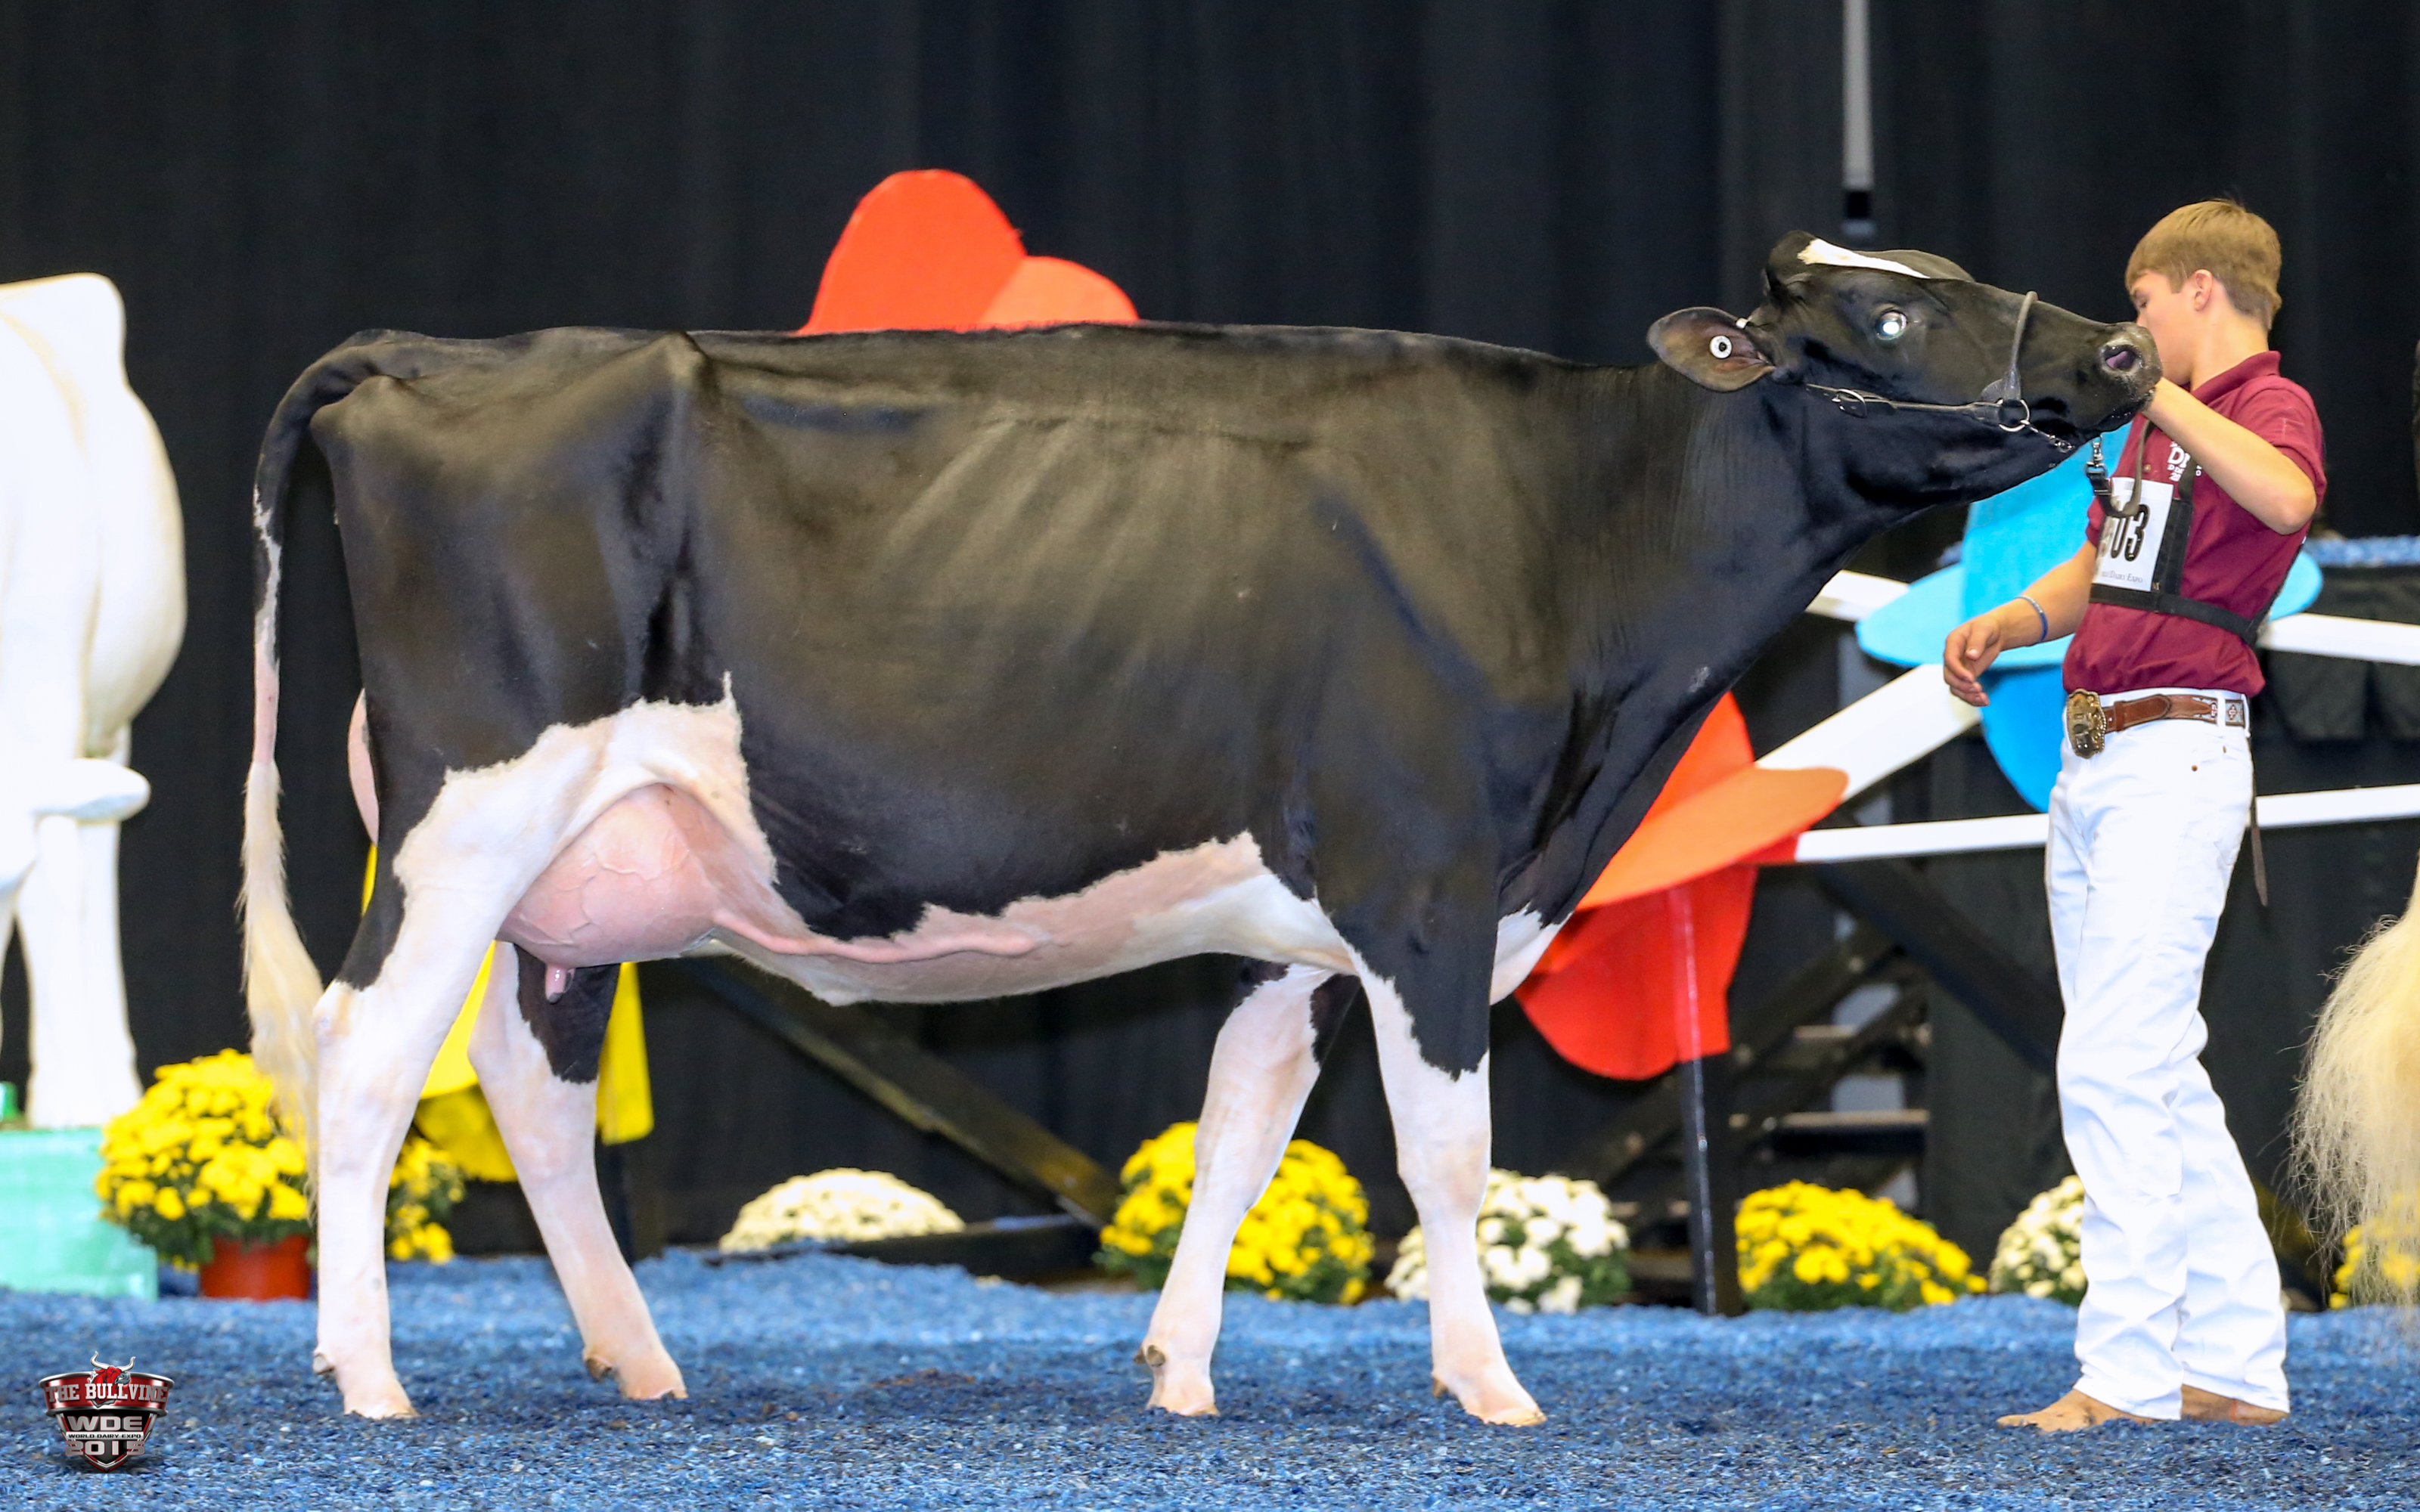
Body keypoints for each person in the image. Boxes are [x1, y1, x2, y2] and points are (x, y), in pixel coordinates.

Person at [1943, 200, 2321, 1433]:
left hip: (2177, 751)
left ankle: (2126, 1374)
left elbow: (2284, 500)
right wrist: (2017, 619)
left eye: (2145, 300)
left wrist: (2156, 394)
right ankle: (2238, 1362)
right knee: (2153, 1065)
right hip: (2100, 754)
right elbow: (2109, 565)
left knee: (2114, 1061)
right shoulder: (2164, 428)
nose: (2136, 323)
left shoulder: (2268, 406)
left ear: (2201, 288)